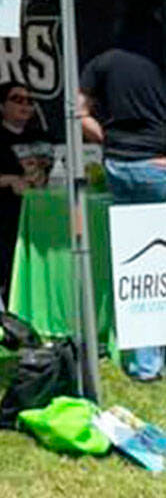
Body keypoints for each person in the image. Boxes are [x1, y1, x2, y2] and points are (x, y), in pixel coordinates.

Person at [79, 46, 166, 380]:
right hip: (157, 162)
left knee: (137, 266)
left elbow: (79, 108)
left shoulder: (105, 60)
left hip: (119, 164)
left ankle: (145, 364)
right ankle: (147, 362)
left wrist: (110, 140)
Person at [0, 82, 53, 294]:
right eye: (17, 99)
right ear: (1, 106)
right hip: (6, 219)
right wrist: (5, 180)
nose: (25, 105)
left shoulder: (45, 137)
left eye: (30, 101)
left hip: (47, 215)